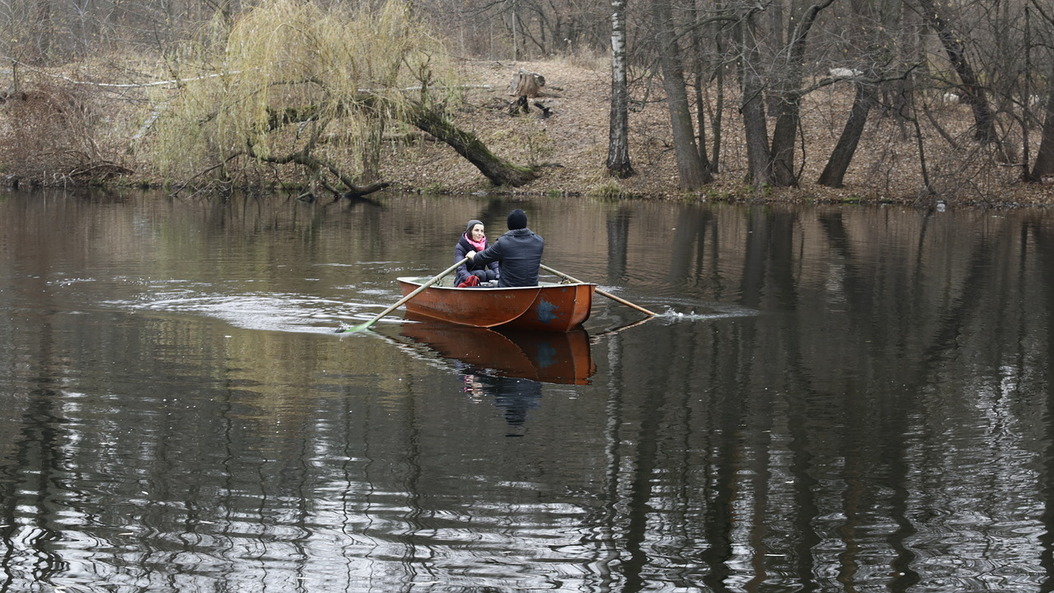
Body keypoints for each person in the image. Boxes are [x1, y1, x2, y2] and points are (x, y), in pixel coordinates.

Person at [466, 209, 544, 287]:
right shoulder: (539, 241)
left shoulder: (503, 243)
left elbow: (481, 259)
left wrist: (474, 256)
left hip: (508, 288)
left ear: (509, 225)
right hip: (532, 288)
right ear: (525, 223)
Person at [454, 219, 500, 287]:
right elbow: (460, 269)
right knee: (480, 274)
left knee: (491, 274)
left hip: (481, 277)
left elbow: (493, 264)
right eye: (476, 230)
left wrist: (499, 275)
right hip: (465, 279)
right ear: (470, 231)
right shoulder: (460, 247)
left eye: (482, 231)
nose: (480, 233)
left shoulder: (485, 245)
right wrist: (469, 278)